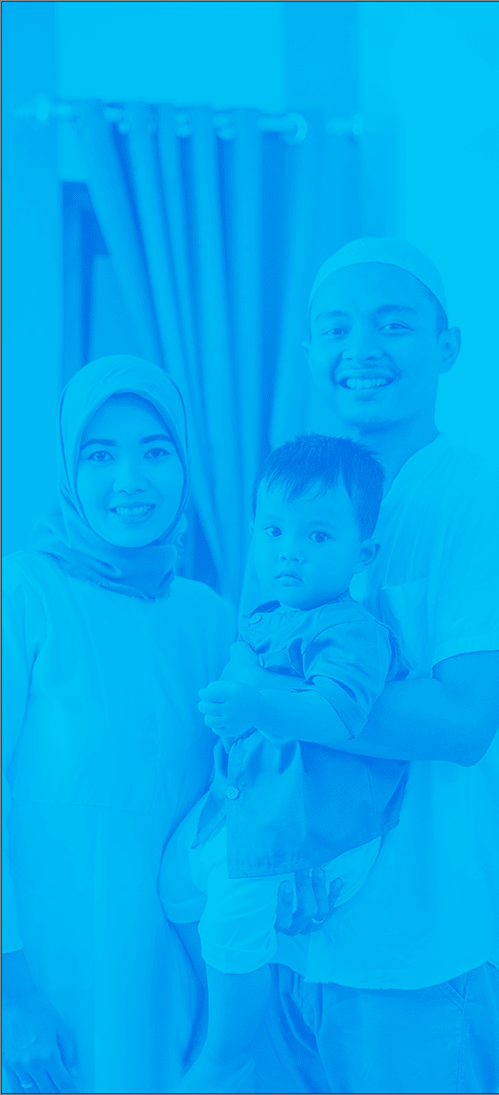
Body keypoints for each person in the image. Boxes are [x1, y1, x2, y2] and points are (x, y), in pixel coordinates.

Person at [235, 238, 499, 1094]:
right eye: (336, 328)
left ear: (447, 346)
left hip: (416, 950)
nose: (361, 348)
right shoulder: (295, 500)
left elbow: (465, 718)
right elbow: (255, 690)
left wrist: (274, 696)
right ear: (310, 350)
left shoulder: (474, 498)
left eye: (393, 325)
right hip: (290, 935)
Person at [1, 355, 235, 1094]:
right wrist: (12, 994)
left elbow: (231, 807)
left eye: (155, 451)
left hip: (174, 976)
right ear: (69, 469)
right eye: (99, 455)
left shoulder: (211, 618)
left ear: (185, 463)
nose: (129, 480)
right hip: (44, 974)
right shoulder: (25, 591)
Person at [160, 434, 408, 1093]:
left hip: (314, 821)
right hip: (256, 802)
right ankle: (230, 998)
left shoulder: (350, 628)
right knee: (175, 882)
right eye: (272, 531)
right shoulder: (267, 616)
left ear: (363, 554)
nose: (289, 550)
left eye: (317, 536)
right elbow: (242, 679)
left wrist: (254, 702)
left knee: (231, 915)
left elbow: (339, 713)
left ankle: (227, 1053)